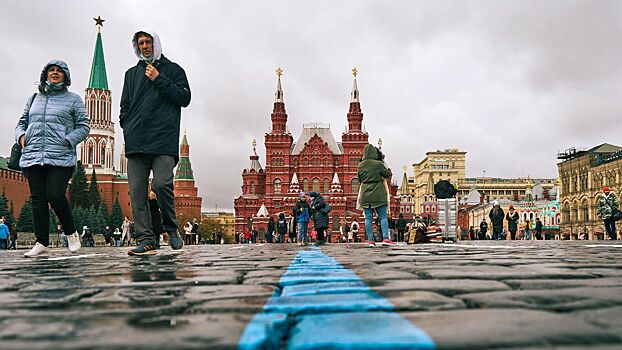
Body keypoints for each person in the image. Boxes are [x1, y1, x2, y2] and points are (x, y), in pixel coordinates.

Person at [120, 30, 190, 255]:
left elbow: (184, 98)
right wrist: (126, 125)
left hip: (163, 140)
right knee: (137, 192)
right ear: (136, 46)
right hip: (137, 141)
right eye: (140, 43)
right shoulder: (131, 74)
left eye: (148, 42)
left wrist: (158, 78)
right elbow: (125, 105)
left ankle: (171, 230)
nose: (144, 46)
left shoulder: (173, 70)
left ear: (155, 44)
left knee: (162, 185)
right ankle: (146, 239)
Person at [15, 60, 90, 257]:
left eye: (59, 71)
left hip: (60, 155)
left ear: (65, 76)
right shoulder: (34, 98)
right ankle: (41, 242)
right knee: (38, 198)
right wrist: (21, 137)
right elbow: (21, 122)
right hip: (33, 155)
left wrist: (67, 141)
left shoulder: (73, 99)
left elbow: (83, 126)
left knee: (55, 194)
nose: (55, 73)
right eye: (51, 70)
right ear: (45, 74)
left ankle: (72, 233)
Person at [357, 144, 395, 247]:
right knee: (383, 217)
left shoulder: (360, 165)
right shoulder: (378, 164)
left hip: (365, 194)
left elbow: (359, 179)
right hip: (378, 193)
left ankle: (371, 241)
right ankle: (386, 239)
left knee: (368, 218)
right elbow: (387, 175)